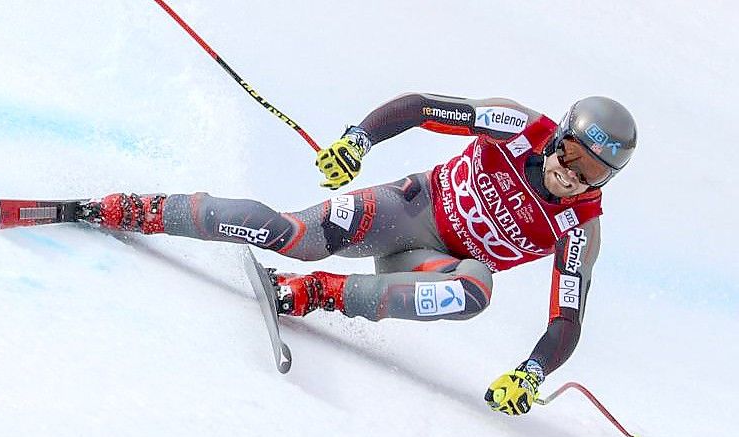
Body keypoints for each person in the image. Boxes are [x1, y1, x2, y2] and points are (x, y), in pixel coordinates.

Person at [81, 93, 637, 416]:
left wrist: (533, 373)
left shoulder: (580, 227)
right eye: (570, 153)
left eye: (592, 172)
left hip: (424, 266)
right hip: (403, 209)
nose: (571, 174)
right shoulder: (517, 127)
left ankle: (318, 293)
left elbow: (567, 318)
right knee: (290, 234)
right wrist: (358, 141)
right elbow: (422, 109)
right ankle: (131, 209)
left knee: (474, 291)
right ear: (558, 134)